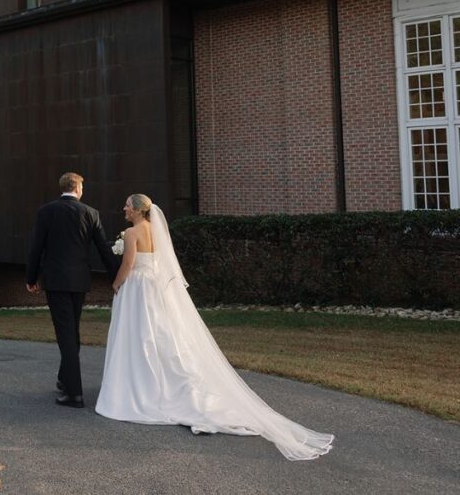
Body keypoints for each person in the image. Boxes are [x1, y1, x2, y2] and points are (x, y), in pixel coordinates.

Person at [95, 193, 334, 461]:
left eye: (127, 205)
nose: (123, 208)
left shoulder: (131, 232)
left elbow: (128, 264)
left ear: (138, 210)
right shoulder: (154, 229)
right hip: (156, 288)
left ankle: (141, 383)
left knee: (140, 336)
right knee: (162, 334)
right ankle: (163, 380)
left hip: (138, 288)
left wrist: (116, 284)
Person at [27, 172, 119, 408]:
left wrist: (31, 277)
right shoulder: (91, 213)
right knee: (72, 331)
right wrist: (117, 276)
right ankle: (64, 379)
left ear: (63, 188)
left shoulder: (46, 212)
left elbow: (36, 247)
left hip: (56, 281)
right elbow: (103, 249)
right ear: (78, 188)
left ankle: (74, 394)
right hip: (79, 280)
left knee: (65, 333)